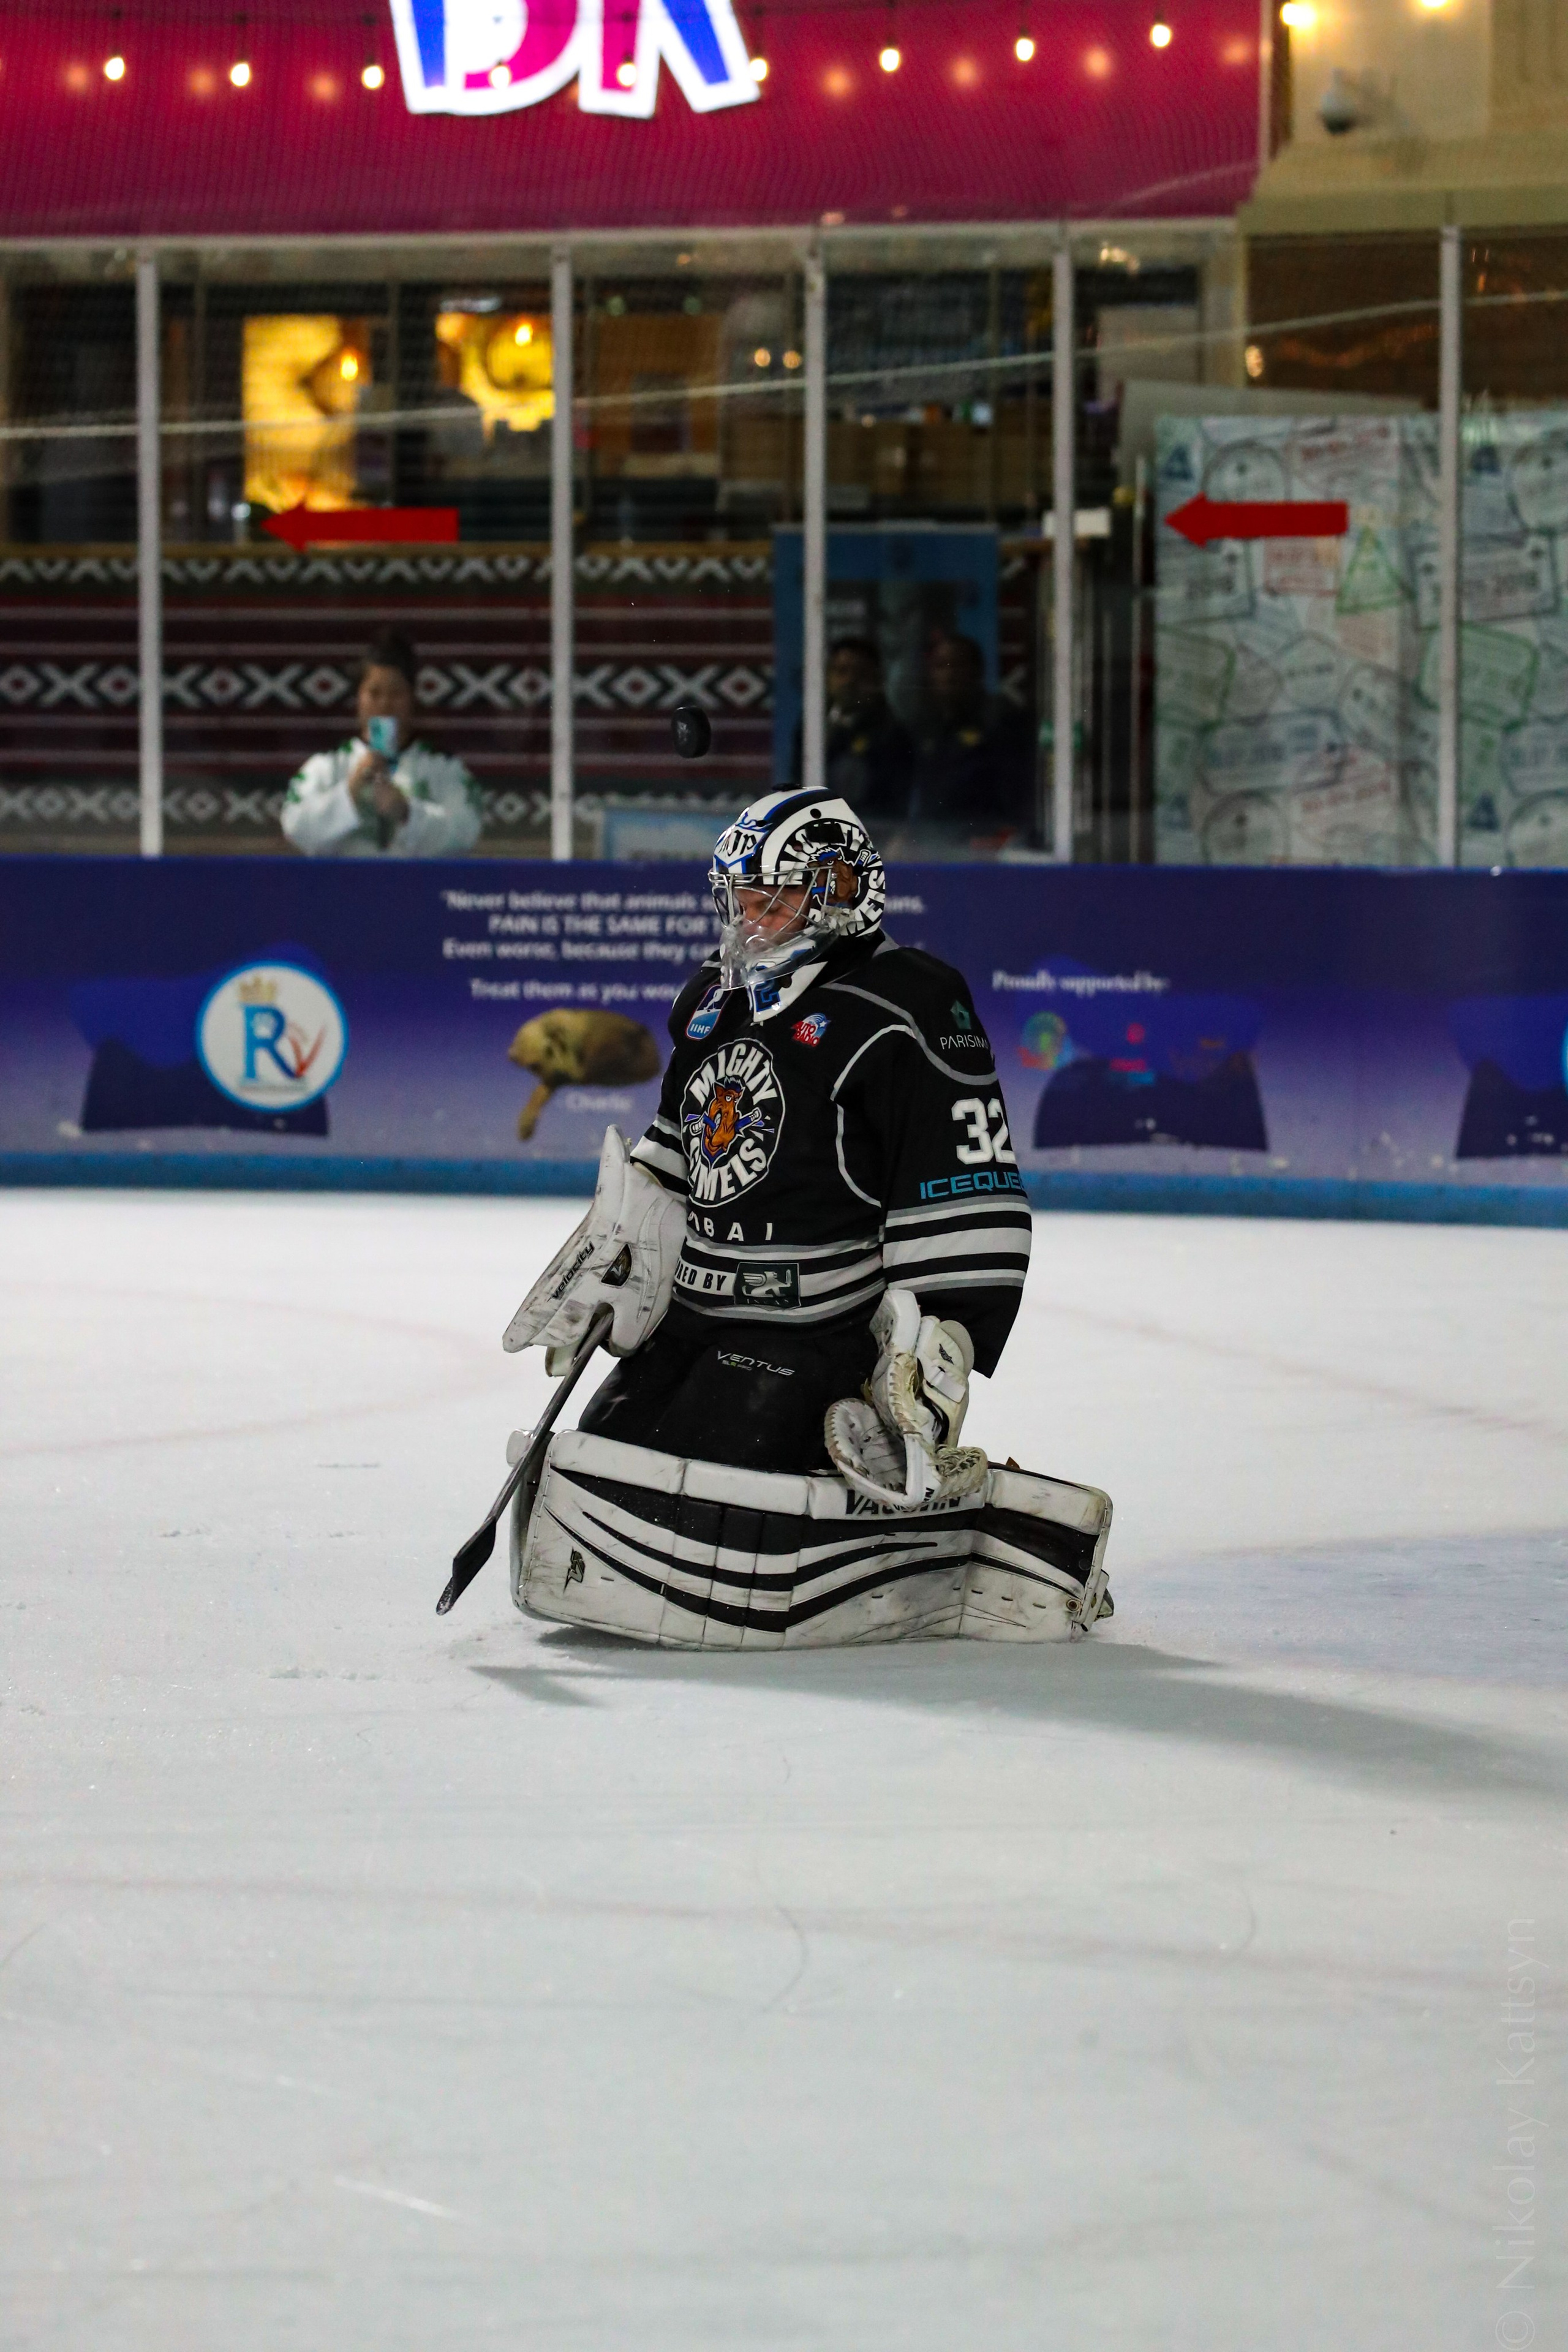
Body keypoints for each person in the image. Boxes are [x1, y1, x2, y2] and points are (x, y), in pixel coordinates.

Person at [505, 787, 1033, 1503]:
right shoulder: (711, 998)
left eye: (773, 903)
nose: (750, 925)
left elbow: (970, 1194)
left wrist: (936, 1358)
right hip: (691, 1322)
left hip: (815, 1331)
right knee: (605, 1467)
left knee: (714, 1485)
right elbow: (674, 1150)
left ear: (841, 890)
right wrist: (619, 1258)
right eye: (741, 901)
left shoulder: (908, 1003)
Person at [281, 628, 483, 858]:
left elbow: (465, 834)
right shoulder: (328, 765)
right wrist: (351, 790)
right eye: (374, 693)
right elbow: (296, 829)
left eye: (396, 693)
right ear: (359, 698)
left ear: (412, 699)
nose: (385, 704)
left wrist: (407, 813)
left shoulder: (443, 767)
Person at [907, 630, 1033, 831]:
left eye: (958, 666)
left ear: (977, 671)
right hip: (930, 843)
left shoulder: (999, 722)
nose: (949, 675)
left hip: (981, 845)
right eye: (940, 666)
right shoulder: (923, 726)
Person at [790, 635, 914, 818]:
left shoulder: (892, 735)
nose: (849, 681)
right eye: (841, 671)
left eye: (861, 674)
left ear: (877, 680)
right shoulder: (811, 727)